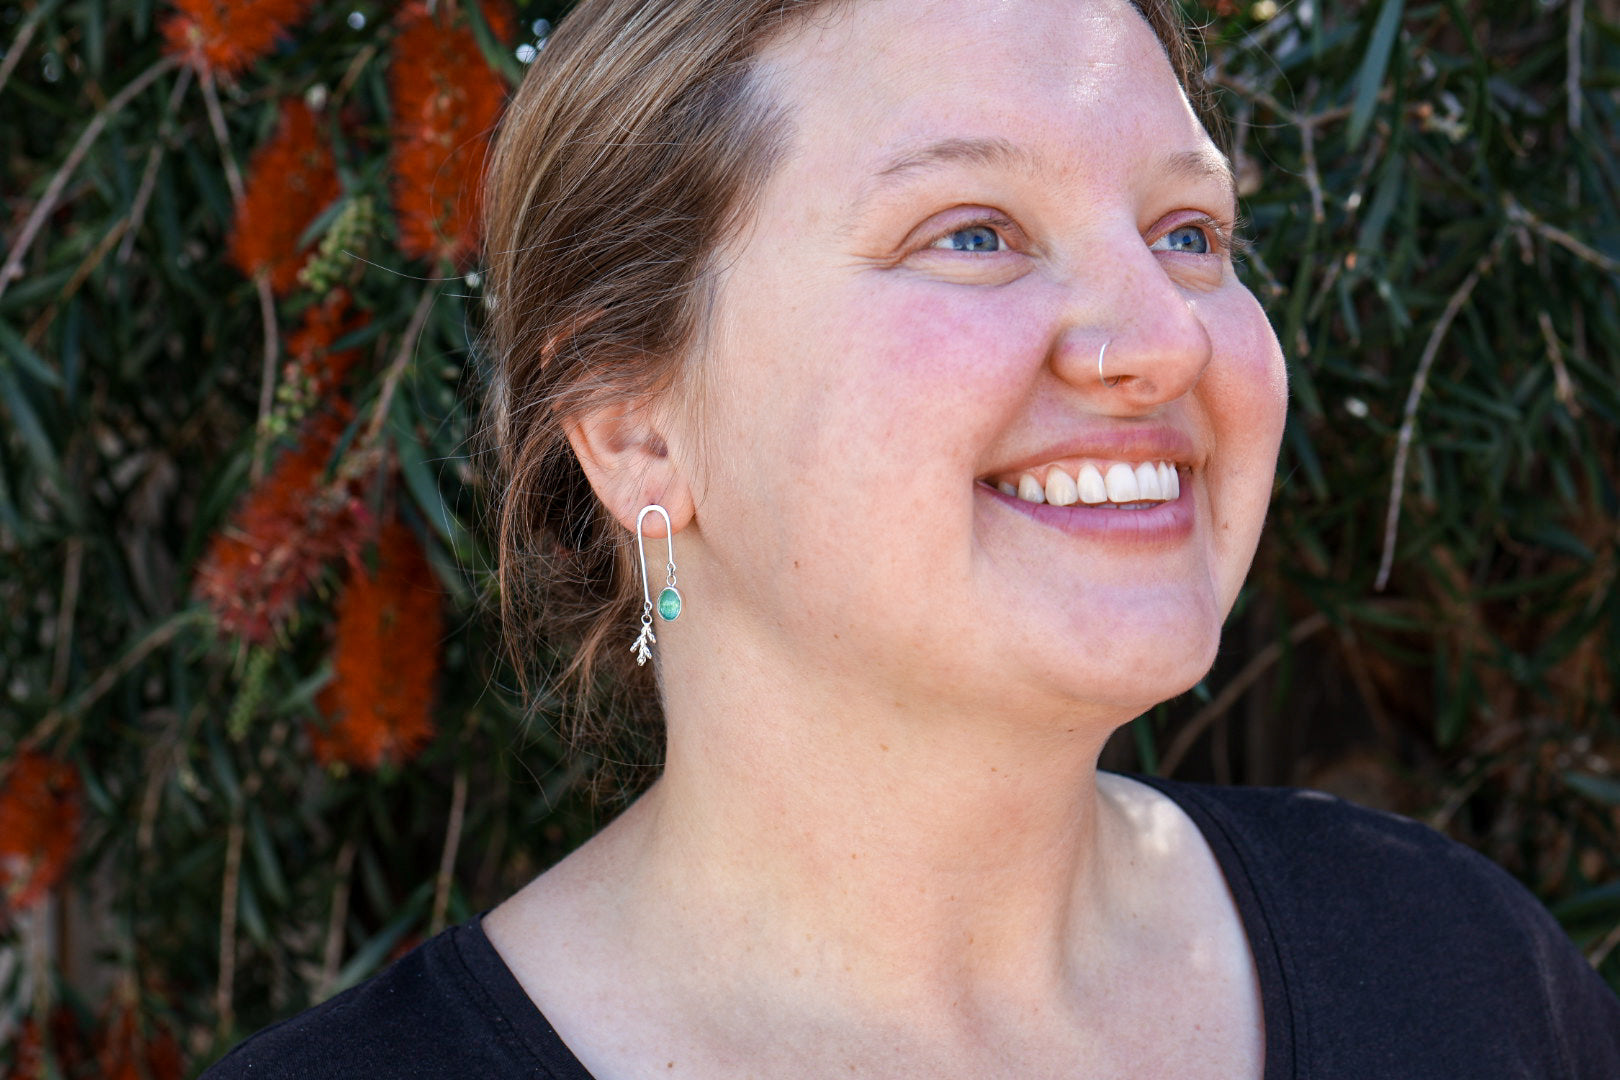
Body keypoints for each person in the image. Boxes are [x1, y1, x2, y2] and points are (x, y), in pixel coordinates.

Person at [203, 0, 1620, 1075]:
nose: (1161, 338)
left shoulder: (1462, 977)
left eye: (1188, 230)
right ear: (634, 425)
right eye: (974, 231)